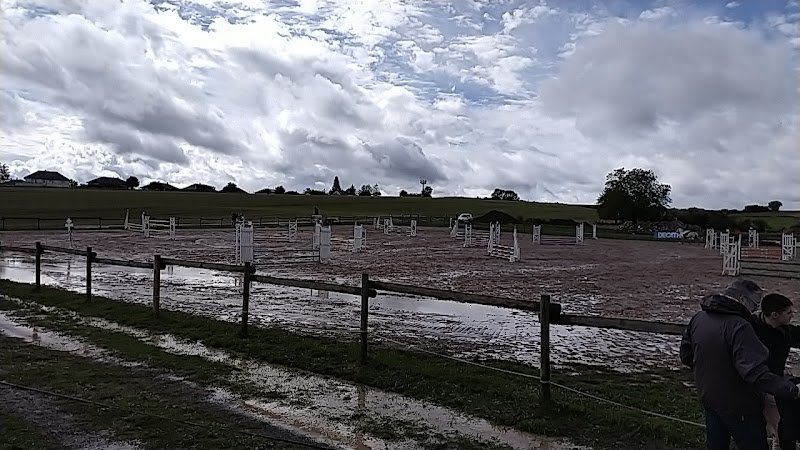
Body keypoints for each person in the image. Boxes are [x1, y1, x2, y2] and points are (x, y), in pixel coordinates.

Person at [679, 279, 800, 450]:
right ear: (743, 300)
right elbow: (754, 371)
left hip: (709, 398)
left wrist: (712, 372)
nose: (756, 309)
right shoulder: (740, 326)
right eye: (755, 303)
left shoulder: (699, 318)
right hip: (741, 404)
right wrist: (791, 389)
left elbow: (686, 355)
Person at [753, 293, 800, 450]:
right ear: (775, 315)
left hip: (777, 383)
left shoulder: (784, 330)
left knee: (782, 428)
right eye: (788, 312)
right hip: (762, 385)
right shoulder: (754, 332)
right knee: (778, 428)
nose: (792, 315)